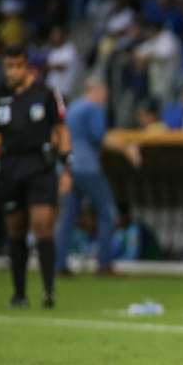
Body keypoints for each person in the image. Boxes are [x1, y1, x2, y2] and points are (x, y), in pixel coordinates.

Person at [0, 44, 72, 308]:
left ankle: (49, 290)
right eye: (8, 66)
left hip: (40, 165)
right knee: (15, 229)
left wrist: (67, 166)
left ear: (27, 66)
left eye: (17, 66)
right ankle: (19, 293)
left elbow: (62, 130)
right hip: (10, 166)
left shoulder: (47, 94)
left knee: (42, 224)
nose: (12, 72)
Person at [55, 78, 116, 276]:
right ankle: (104, 264)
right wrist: (127, 150)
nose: (105, 97)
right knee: (107, 212)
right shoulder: (94, 108)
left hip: (69, 168)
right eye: (104, 93)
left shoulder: (73, 108)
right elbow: (99, 136)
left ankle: (59, 264)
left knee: (68, 217)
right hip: (88, 167)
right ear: (96, 90)